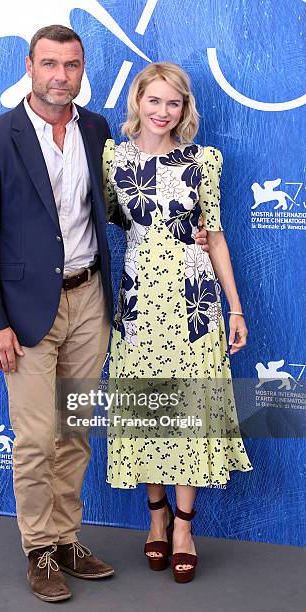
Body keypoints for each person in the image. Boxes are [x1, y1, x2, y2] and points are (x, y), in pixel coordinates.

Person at [0, 25, 209, 601]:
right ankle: (39, 549)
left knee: (75, 432)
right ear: (29, 66)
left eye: (71, 65)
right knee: (36, 436)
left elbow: (125, 207)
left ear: (82, 70)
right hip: (23, 315)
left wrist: (184, 228)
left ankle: (68, 540)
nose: (60, 75)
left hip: (90, 302)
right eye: (49, 64)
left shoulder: (97, 131)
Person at [103, 62, 253, 584]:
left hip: (194, 306)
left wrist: (234, 307)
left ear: (184, 108)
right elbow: (109, 223)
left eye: (174, 103)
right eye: (155, 101)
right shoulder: (112, 159)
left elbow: (212, 237)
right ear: (137, 102)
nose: (164, 112)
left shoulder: (203, 161)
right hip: (139, 303)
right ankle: (156, 517)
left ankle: (185, 527)